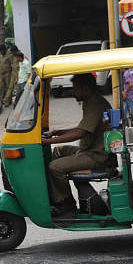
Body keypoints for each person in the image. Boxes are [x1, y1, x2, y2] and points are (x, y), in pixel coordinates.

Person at [42, 73, 112, 218]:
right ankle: (56, 195)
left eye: (75, 89)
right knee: (58, 152)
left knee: (55, 167)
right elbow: (83, 128)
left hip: (97, 155)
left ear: (85, 89)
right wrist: (56, 132)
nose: (73, 93)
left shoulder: (95, 104)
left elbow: (80, 133)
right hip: (88, 150)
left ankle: (66, 204)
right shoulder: (89, 101)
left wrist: (48, 141)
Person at [0, 44, 14, 109]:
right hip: (2, 74)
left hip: (7, 73)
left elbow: (12, 65)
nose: (1, 52)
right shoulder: (1, 56)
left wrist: (12, 74)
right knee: (1, 88)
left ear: (4, 50)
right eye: (0, 51)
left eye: (1, 51)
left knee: (8, 88)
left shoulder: (9, 55)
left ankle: (8, 101)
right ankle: (0, 101)